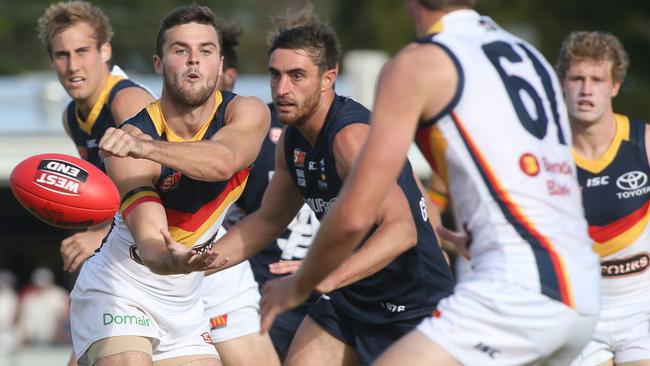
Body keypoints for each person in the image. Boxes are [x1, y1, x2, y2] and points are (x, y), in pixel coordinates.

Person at [260, 1, 602, 365]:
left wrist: (300, 285)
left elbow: (356, 217)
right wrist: (448, 228)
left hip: (513, 290)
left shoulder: (417, 64)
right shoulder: (526, 54)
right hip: (582, 287)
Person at [209, 12, 454, 365]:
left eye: (297, 76)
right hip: (349, 298)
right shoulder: (291, 140)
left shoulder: (350, 138)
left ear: (328, 79)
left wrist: (311, 280)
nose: (281, 89)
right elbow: (267, 220)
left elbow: (402, 231)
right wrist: (196, 262)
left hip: (413, 304)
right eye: (275, 75)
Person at [69, 4, 269, 366]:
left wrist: (147, 149)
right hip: (120, 289)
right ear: (159, 64)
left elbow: (223, 161)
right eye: (181, 50)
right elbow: (151, 245)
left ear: (221, 63)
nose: (194, 60)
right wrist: (173, 259)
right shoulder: (126, 140)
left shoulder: (248, 111)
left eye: (205, 51)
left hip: (185, 302)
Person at [36, 1, 156, 274]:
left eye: (82, 51)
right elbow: (103, 196)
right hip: (140, 247)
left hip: (189, 246)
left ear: (105, 51)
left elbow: (166, 186)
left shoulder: (126, 100)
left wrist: (101, 238)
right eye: (62, 55)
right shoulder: (71, 116)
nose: (72, 66)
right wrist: (92, 233)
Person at [557, 31, 650, 366]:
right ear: (563, 82)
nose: (586, 89)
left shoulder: (643, 144)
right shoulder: (547, 158)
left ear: (614, 86)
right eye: (577, 78)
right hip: (579, 313)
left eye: (597, 79)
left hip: (642, 310)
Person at [199, 19, 279, 366]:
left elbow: (222, 162)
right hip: (217, 272)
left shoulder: (258, 126)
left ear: (227, 73)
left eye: (206, 59)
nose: (195, 71)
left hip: (268, 283)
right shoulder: (157, 123)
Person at [16, 267, 70, 346]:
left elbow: (67, 315)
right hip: (31, 339)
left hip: (54, 339)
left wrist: (60, 329)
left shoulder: (59, 295)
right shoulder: (29, 298)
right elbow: (22, 317)